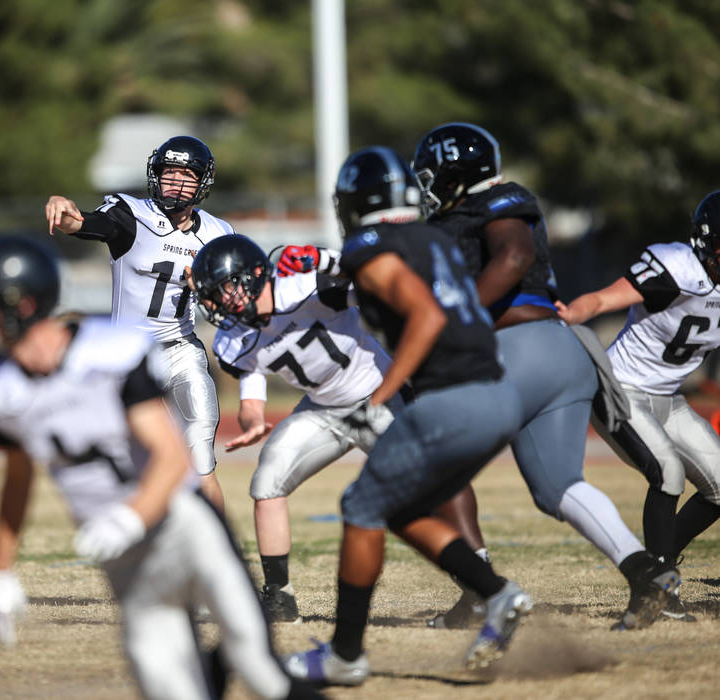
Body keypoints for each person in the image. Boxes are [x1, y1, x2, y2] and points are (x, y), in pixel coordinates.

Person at [0, 236, 322, 700]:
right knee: (171, 690)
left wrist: (129, 517)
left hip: (183, 526)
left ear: (19, 304)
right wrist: (0, 571)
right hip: (125, 560)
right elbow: (18, 474)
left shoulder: (112, 352)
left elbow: (170, 457)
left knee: (260, 669)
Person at [410, 122, 679, 631]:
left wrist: (459, 319)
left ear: (451, 174)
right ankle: (644, 571)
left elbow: (514, 255)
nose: (428, 188)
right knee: (557, 487)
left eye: (432, 176)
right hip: (561, 355)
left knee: (435, 463)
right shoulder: (465, 216)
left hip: (518, 349)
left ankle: (480, 591)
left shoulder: (497, 200)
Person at [283, 146, 528, 686]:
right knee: (397, 507)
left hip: (451, 398)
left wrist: (377, 401)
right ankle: (496, 593)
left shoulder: (371, 246)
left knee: (360, 505)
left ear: (353, 202)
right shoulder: (435, 239)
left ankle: (345, 655)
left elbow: (425, 316)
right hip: (497, 393)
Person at [188, 233, 399, 622]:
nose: (221, 302)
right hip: (323, 409)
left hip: (379, 396)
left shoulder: (304, 288)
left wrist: (326, 260)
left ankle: (477, 580)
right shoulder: (233, 341)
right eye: (213, 295)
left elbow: (378, 280)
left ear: (253, 275)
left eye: (226, 288)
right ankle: (279, 597)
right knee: (268, 480)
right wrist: (252, 423)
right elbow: (252, 394)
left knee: (426, 485)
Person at [555, 189, 720, 621]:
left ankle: (657, 566)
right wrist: (571, 313)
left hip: (669, 397)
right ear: (706, 241)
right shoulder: (676, 266)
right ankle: (657, 589)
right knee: (667, 473)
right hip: (619, 389)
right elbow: (606, 299)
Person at [45, 136, 232, 511]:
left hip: (182, 352)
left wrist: (214, 297)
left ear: (202, 183)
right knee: (133, 463)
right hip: (127, 358)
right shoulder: (131, 215)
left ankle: (220, 555)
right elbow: (83, 223)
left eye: (186, 175)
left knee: (201, 464)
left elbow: (229, 305)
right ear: (155, 176)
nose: (175, 182)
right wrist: (63, 210)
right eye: (169, 173)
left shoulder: (218, 234)